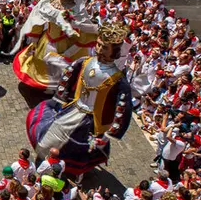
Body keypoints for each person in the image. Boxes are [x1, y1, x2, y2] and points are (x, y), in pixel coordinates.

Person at [26, 22, 133, 178]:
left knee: (81, 151)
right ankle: (49, 161)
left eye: (104, 47)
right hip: (73, 108)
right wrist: (60, 99)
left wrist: (110, 132)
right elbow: (67, 77)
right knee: (50, 136)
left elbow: (123, 108)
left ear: (114, 51)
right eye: (98, 45)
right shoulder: (85, 61)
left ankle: (76, 172)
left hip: (91, 120)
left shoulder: (118, 79)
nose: (99, 49)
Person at [11, 0, 98, 92]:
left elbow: (83, 27)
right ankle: (45, 85)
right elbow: (38, 20)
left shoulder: (76, 8)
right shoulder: (49, 2)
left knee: (61, 68)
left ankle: (57, 88)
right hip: (48, 39)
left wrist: (75, 31)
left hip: (66, 43)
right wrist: (34, 39)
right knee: (41, 62)